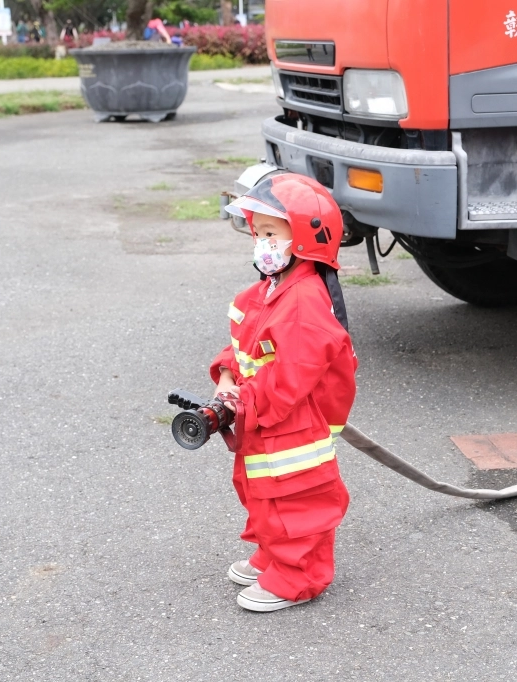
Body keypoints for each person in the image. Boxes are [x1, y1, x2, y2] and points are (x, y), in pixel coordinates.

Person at [210, 174, 356, 612]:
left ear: (307, 238)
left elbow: (293, 372)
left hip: (293, 419)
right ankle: (274, 557)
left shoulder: (305, 301)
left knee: (297, 498)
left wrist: (246, 400)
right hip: (264, 414)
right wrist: (227, 376)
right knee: (260, 491)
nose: (262, 243)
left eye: (271, 233)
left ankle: (298, 577)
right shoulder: (268, 291)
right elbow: (247, 344)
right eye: (258, 233)